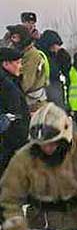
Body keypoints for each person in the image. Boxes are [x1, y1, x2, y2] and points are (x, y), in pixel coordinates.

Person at [0, 48, 30, 177]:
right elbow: (12, 114)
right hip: (10, 141)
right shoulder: (6, 85)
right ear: (5, 64)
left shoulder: (11, 81)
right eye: (17, 63)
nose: (20, 66)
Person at [6, 24, 49, 112]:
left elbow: (25, 84)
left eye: (15, 38)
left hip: (33, 105)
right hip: (26, 103)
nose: (12, 41)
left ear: (23, 38)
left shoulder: (31, 55)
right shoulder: (20, 53)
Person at [36, 30, 70, 108]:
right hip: (45, 86)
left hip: (55, 86)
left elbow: (66, 71)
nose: (56, 47)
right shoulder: (41, 54)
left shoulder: (57, 56)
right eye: (55, 44)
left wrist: (65, 60)